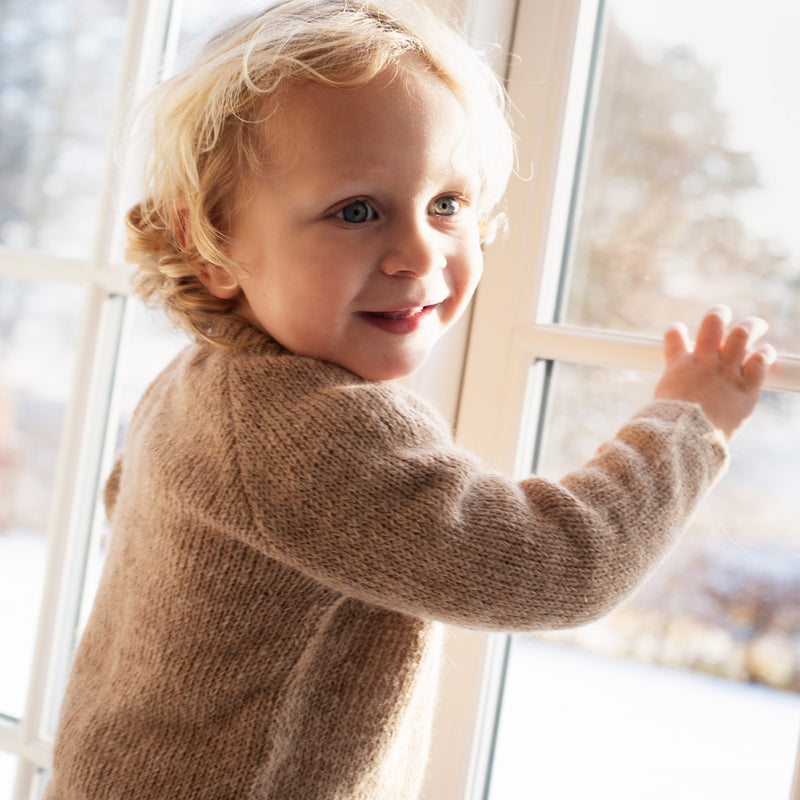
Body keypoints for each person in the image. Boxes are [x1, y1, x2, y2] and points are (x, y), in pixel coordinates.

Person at [44, 1, 775, 798]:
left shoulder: (200, 382)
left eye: (449, 204)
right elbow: (561, 566)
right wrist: (686, 422)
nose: (420, 253)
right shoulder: (309, 426)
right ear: (213, 245)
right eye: (357, 211)